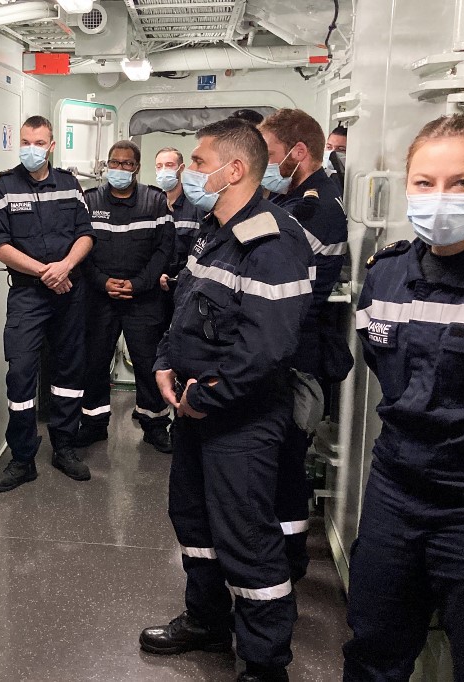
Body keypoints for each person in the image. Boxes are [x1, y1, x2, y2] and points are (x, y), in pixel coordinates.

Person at [139, 118, 314, 682]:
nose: (187, 172)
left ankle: (264, 662)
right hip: (195, 409)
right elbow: (187, 307)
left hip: (241, 419)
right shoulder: (212, 229)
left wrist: (203, 397)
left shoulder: (274, 240)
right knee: (193, 521)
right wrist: (165, 362)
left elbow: (267, 347)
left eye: (196, 161)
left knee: (246, 540)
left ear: (232, 170)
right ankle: (207, 620)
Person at [343, 114, 464, 682]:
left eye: (461, 183)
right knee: (372, 645)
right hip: (397, 491)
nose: (441, 198)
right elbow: (382, 364)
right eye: (425, 182)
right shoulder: (385, 274)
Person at [258, 108, 349, 581]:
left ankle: (287, 565)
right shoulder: (296, 199)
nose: (261, 164)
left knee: (285, 464)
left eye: (267, 154)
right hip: (288, 349)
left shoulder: (312, 208)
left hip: (295, 353)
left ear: (297, 153)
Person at [0, 115, 95, 491]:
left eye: (39, 142)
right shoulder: (2, 186)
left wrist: (64, 267)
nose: (31, 149)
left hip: (70, 290)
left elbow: (86, 234)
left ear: (51, 145)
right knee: (20, 374)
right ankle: (22, 458)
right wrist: (46, 273)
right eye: (25, 142)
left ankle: (64, 446)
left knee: (68, 373)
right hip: (28, 295)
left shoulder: (68, 184)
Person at [74, 140, 175, 452]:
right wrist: (103, 282)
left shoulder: (155, 201)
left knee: (147, 362)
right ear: (107, 165)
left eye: (126, 164)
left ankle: (154, 424)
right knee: (95, 362)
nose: (120, 169)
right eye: (114, 163)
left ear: (137, 167)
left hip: (142, 298)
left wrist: (138, 284)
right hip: (99, 297)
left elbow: (164, 249)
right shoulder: (88, 200)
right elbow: (79, 249)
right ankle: (93, 423)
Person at [154, 147, 204, 286]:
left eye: (169, 165)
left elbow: (200, 249)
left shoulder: (196, 205)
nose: (164, 170)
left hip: (185, 283)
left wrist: (178, 277)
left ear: (181, 168)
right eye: (159, 166)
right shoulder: (153, 204)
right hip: (154, 283)